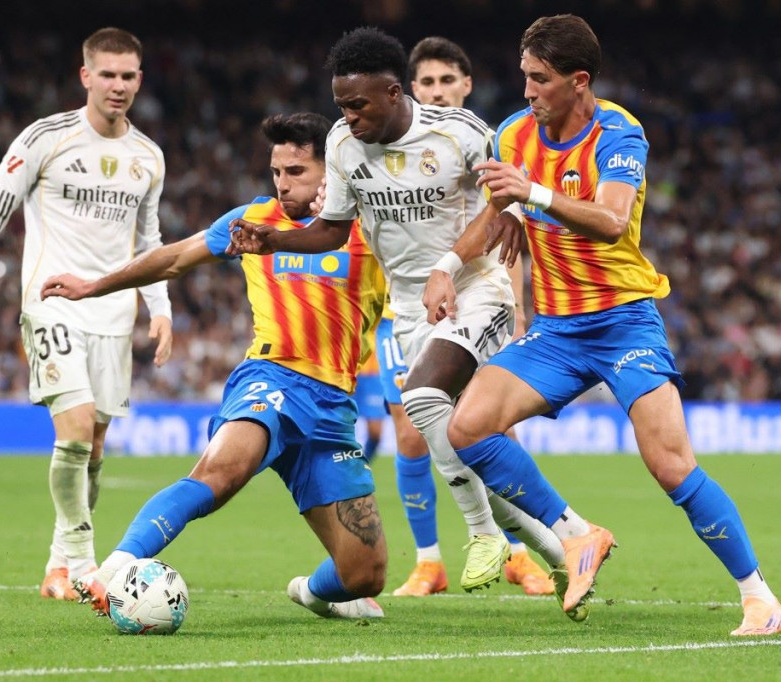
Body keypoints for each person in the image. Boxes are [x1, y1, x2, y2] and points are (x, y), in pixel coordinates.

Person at [434, 14, 781, 635]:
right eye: (524, 76)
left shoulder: (618, 133)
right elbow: (496, 213)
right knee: (467, 427)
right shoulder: (513, 135)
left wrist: (532, 195)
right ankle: (577, 534)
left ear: (579, 80)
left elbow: (612, 220)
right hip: (557, 331)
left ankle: (760, 599)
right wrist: (446, 266)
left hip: (624, 323)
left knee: (671, 465)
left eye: (540, 79)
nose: (526, 91)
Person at [230, 27, 577, 617]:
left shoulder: (459, 131)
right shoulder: (343, 144)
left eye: (357, 105)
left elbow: (507, 197)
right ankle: (566, 548)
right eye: (341, 105)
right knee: (457, 438)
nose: (347, 117)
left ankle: (484, 533)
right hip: (413, 306)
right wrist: (274, 240)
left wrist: (494, 232)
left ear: (394, 93)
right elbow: (333, 230)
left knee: (423, 399)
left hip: (475, 288)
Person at [41, 112, 389, 620]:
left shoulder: (371, 225)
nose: (282, 183)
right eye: (276, 171)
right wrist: (95, 285)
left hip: (333, 405)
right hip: (271, 378)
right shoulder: (253, 221)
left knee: (364, 574)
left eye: (296, 172)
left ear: (331, 171)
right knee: (221, 473)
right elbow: (173, 258)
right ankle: (115, 567)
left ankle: (312, 593)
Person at [0, 27, 173, 602]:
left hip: (114, 315)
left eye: (127, 75)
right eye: (106, 74)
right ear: (85, 76)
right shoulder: (45, 138)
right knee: (76, 428)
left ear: (139, 80)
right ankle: (83, 566)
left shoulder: (148, 157)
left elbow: (149, 238)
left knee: (95, 447)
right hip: (52, 303)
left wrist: (160, 307)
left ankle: (58, 566)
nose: (117, 85)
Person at [369, 36, 551, 597]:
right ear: (408, 89)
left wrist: (517, 312)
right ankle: (429, 562)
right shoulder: (378, 144)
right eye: (427, 82)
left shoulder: (477, 144)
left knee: (491, 426)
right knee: (410, 432)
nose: (438, 91)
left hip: (475, 301)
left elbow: (507, 231)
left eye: (448, 80)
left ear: (466, 86)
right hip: (402, 310)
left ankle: (519, 552)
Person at [352, 349, 386, 462]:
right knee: (340, 425)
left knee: (375, 432)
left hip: (373, 374)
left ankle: (361, 465)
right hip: (346, 372)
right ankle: (341, 466)